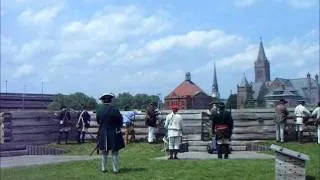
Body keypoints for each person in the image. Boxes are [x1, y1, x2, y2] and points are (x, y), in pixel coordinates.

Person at [96, 93, 125, 173]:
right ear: (110, 100)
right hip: (114, 133)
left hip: (103, 132)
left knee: (104, 152)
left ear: (103, 101)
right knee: (115, 151)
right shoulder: (115, 109)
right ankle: (115, 169)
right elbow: (120, 121)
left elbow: (98, 121)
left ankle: (103, 168)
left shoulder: (99, 110)